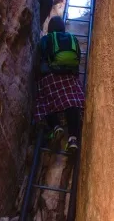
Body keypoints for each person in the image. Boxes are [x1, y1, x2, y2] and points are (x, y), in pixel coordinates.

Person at [33, 16, 85, 151]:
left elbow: (39, 59)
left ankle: (56, 127)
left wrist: (39, 76)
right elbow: (78, 58)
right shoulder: (72, 38)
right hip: (69, 76)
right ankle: (73, 139)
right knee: (71, 102)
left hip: (51, 76)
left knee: (46, 101)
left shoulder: (46, 39)